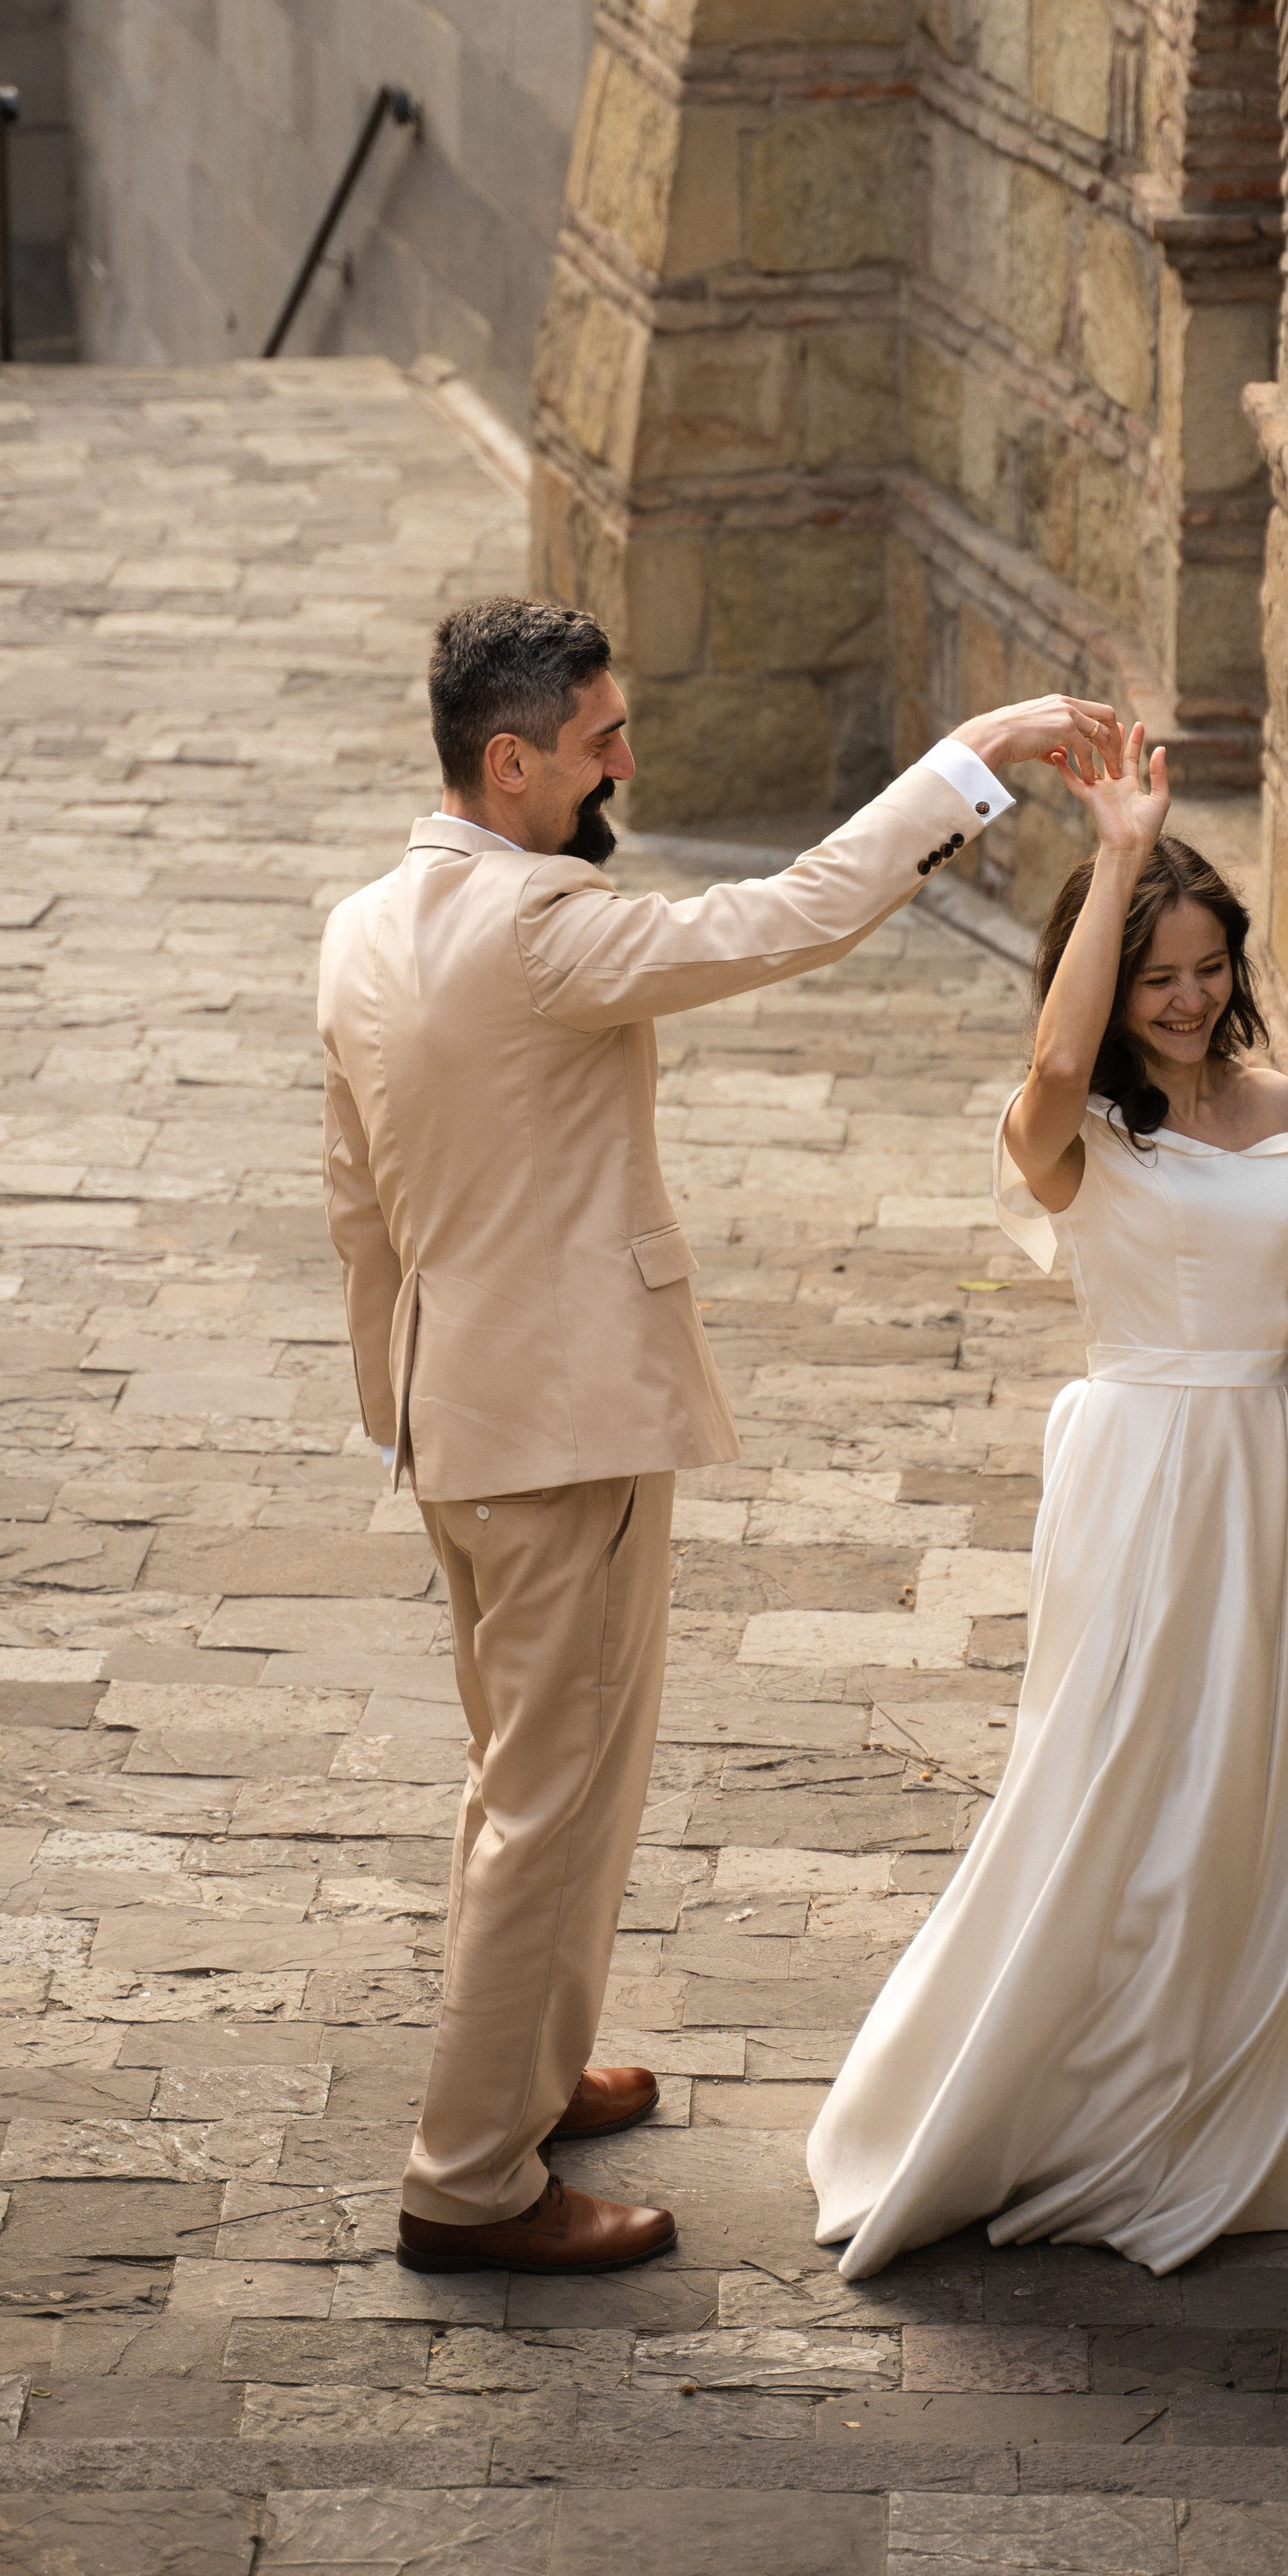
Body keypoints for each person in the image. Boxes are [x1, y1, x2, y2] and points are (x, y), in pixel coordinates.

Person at [318, 594, 1121, 2277]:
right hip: (558, 1437)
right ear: (511, 761)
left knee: (521, 1781)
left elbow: (357, 1212)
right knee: (551, 1801)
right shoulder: (541, 927)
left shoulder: (364, 926)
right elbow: (795, 912)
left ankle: (526, 2074)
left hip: (457, 1421)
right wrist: (970, 761)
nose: (625, 761)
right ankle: (468, 2180)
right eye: (599, 740)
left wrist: (402, 1409)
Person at [808, 725, 1288, 2278]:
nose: (1181, 998)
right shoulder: (1076, 1135)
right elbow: (1055, 1067)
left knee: (1247, 1798)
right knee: (1114, 1787)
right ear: (1105, 980)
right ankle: (1044, 2099)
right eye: (1151, 974)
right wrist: (1117, 851)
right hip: (1141, 1472)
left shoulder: (1280, 1105)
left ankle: (1206, 2117)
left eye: (1204, 968)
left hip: (1279, 1487)